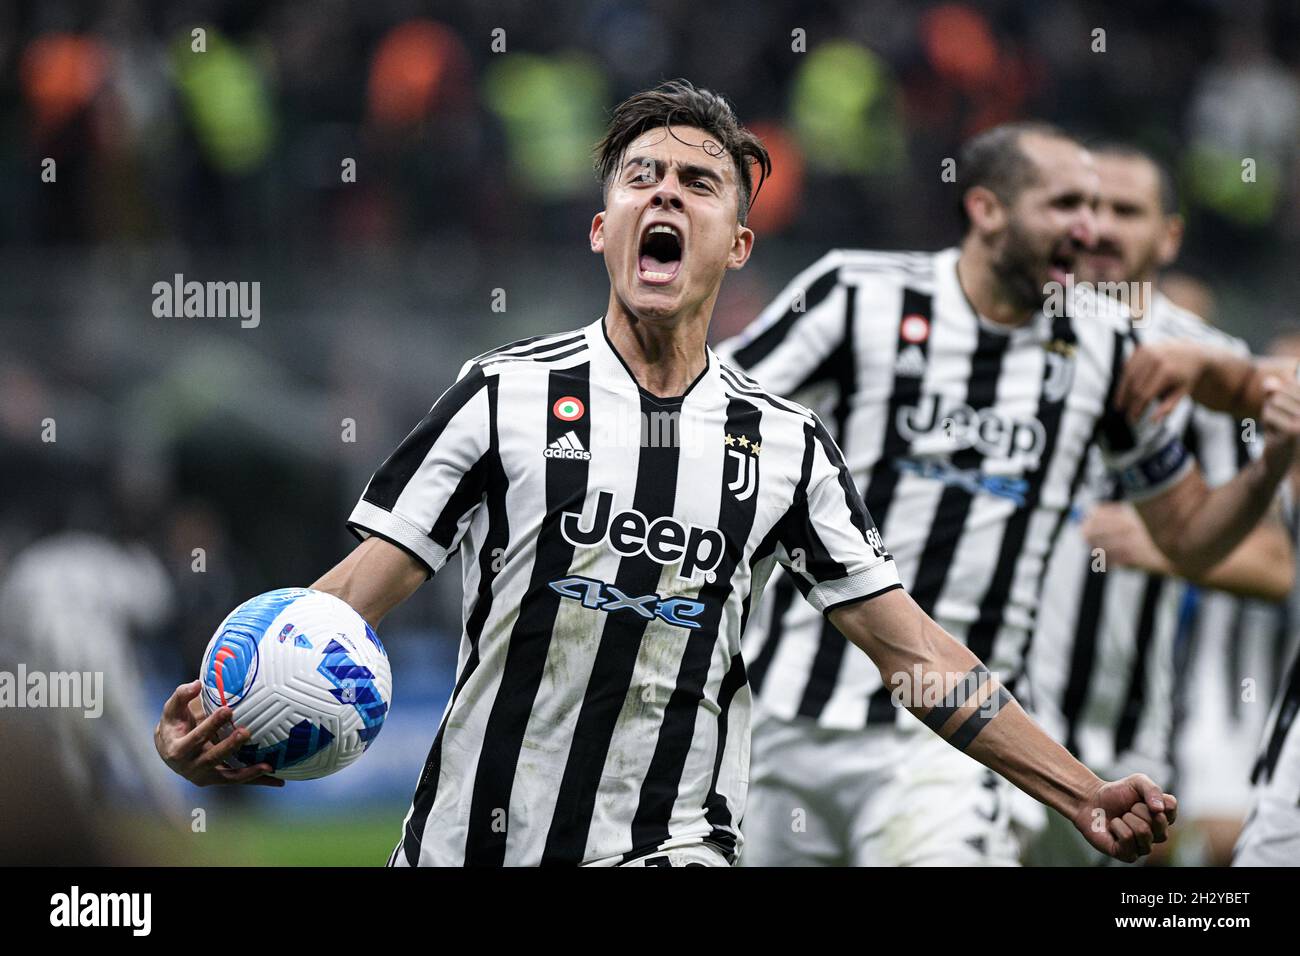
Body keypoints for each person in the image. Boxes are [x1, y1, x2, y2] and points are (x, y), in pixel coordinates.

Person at [156, 83, 1179, 867]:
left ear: (735, 244)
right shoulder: (499, 395)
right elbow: (344, 606)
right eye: (640, 176)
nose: (664, 194)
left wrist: (1078, 789)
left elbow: (913, 653)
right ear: (603, 228)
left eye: (696, 183)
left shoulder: (783, 445)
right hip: (468, 841)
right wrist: (225, 712)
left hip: (672, 845)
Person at [718, 122, 1299, 866]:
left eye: (1099, 209)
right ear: (987, 210)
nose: (1088, 231)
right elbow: (715, 407)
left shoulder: (1103, 345)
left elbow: (1190, 534)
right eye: (1065, 207)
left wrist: (1269, 463)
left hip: (954, 750)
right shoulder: (857, 295)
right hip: (778, 714)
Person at [1025, 142, 1294, 866]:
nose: (1101, 227)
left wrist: (1170, 540)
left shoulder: (1207, 366)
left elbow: (1277, 565)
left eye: (1125, 211)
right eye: (1084, 207)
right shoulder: (1005, 332)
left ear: (1168, 235)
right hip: (984, 718)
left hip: (1124, 739)